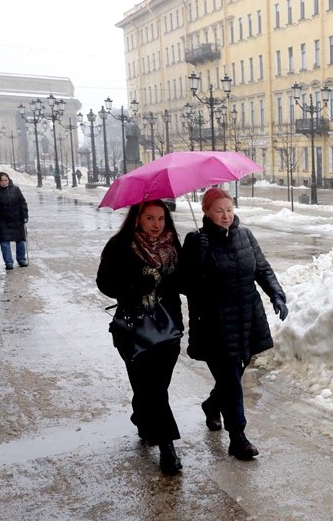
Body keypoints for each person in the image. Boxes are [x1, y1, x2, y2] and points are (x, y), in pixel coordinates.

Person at [179, 188, 288, 461]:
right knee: (231, 381)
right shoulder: (195, 241)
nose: (226, 215)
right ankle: (238, 438)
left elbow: (262, 268)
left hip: (247, 317)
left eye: (229, 209)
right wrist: (200, 256)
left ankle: (211, 405)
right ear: (206, 212)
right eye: (219, 210)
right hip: (215, 322)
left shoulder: (245, 235)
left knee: (234, 376)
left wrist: (276, 294)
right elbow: (184, 284)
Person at [96, 200, 185, 474]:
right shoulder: (120, 246)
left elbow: (182, 282)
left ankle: (143, 417)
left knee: (155, 387)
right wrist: (134, 287)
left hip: (168, 328)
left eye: (161, 218)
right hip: (133, 329)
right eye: (150, 218)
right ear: (137, 219)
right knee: (152, 388)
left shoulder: (173, 247)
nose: (157, 224)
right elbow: (104, 283)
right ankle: (167, 447)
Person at [0, 172, 28, 269]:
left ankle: (21, 259)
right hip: (1, 220)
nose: (4, 182)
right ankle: (8, 262)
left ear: (9, 180)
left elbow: (22, 202)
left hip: (17, 219)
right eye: (1, 180)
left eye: (5, 180)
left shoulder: (15, 189)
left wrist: (25, 215)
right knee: (4, 242)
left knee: (20, 240)